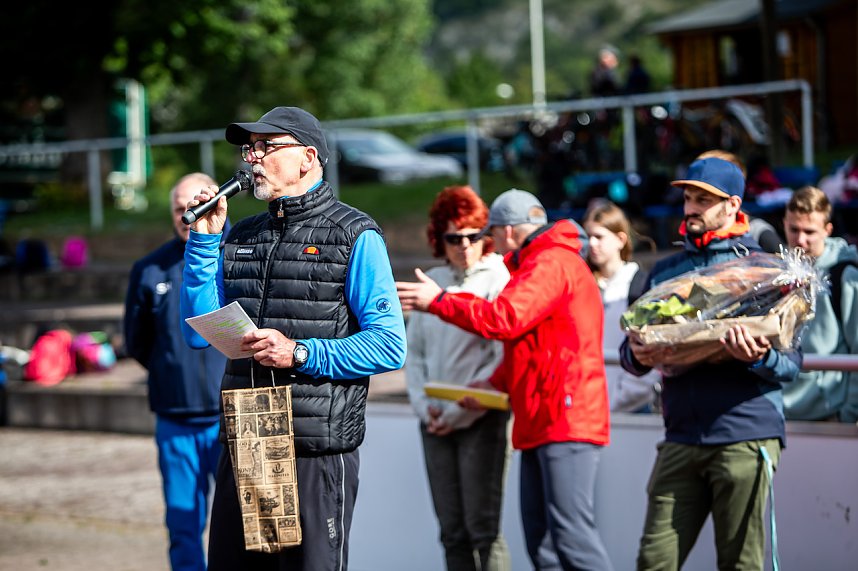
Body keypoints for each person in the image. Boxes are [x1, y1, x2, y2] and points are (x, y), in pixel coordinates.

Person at [179, 106, 407, 570]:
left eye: (266, 146)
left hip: (314, 448)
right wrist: (204, 241)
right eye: (250, 148)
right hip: (249, 439)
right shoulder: (243, 235)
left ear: (307, 157)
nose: (252, 158)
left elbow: (389, 344)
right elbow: (201, 330)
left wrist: (299, 352)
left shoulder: (354, 234)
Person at [397, 189, 614, 570]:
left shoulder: (550, 262)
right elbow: (530, 344)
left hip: (563, 418)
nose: (487, 243)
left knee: (570, 540)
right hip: (545, 418)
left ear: (508, 231)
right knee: (544, 544)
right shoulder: (542, 262)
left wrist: (439, 302)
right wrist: (493, 385)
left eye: (489, 233)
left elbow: (504, 319)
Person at [619, 157, 803, 570]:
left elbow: (791, 365)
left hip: (744, 434)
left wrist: (760, 357)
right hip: (681, 435)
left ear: (733, 205)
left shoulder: (765, 270)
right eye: (688, 197)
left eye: (704, 199)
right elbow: (628, 356)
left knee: (741, 565)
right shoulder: (665, 272)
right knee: (654, 561)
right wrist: (639, 355)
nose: (691, 208)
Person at [124, 172, 228, 571]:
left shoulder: (238, 255)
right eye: (179, 207)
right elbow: (138, 342)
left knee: (243, 525)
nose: (188, 213)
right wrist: (174, 373)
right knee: (183, 524)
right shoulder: (149, 269)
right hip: (176, 420)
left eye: (195, 203)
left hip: (231, 417)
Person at [404, 185, 512, 571]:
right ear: (439, 238)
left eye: (473, 236)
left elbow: (502, 354)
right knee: (451, 531)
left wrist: (454, 414)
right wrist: (424, 408)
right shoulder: (431, 280)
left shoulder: (499, 277)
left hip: (480, 417)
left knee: (484, 531)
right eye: (454, 237)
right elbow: (413, 355)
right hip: (433, 419)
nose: (464, 245)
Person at [781, 185, 858, 422]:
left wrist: (848, 415)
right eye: (794, 229)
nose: (800, 240)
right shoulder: (777, 272)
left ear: (827, 230)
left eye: (809, 232)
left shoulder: (846, 277)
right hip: (781, 413)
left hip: (829, 415)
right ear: (784, 223)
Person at [582, 200, 660, 412]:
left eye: (599, 236)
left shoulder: (640, 286)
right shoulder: (583, 285)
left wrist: (614, 402)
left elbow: (648, 353)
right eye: (588, 236)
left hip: (630, 407)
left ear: (620, 239)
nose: (592, 243)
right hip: (588, 407)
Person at [696, 149, 785, 254]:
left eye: (704, 199)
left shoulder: (759, 234)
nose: (691, 208)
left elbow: (786, 265)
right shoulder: (694, 236)